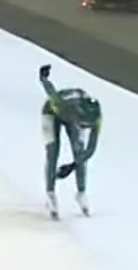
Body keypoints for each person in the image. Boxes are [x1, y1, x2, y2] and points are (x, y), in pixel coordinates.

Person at [38, 64, 101, 220]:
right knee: (53, 151)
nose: (83, 128)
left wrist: (72, 166)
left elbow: (91, 149)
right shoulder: (61, 105)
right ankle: (50, 193)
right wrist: (43, 78)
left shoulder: (96, 118)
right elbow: (50, 91)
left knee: (79, 153)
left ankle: (81, 192)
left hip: (72, 113)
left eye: (86, 126)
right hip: (51, 112)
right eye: (82, 124)